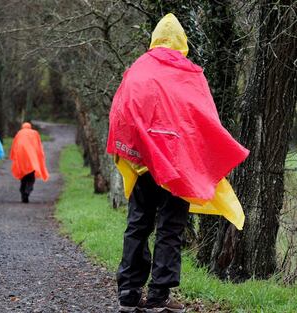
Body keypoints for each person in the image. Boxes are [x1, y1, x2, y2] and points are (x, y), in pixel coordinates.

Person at [106, 14, 249, 313]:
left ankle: (129, 293)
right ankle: (159, 296)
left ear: (155, 38)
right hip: (177, 166)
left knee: (138, 224)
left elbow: (121, 113)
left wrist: (132, 151)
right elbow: (204, 120)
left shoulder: (137, 70)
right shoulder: (190, 73)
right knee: (170, 228)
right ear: (182, 42)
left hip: (144, 164)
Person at [10, 122, 49, 203]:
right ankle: (28, 191)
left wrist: (13, 156)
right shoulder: (35, 133)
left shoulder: (19, 133)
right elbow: (38, 146)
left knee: (23, 178)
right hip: (32, 159)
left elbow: (14, 145)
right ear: (30, 127)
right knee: (31, 178)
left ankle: (23, 193)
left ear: (22, 127)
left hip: (21, 159)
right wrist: (39, 157)